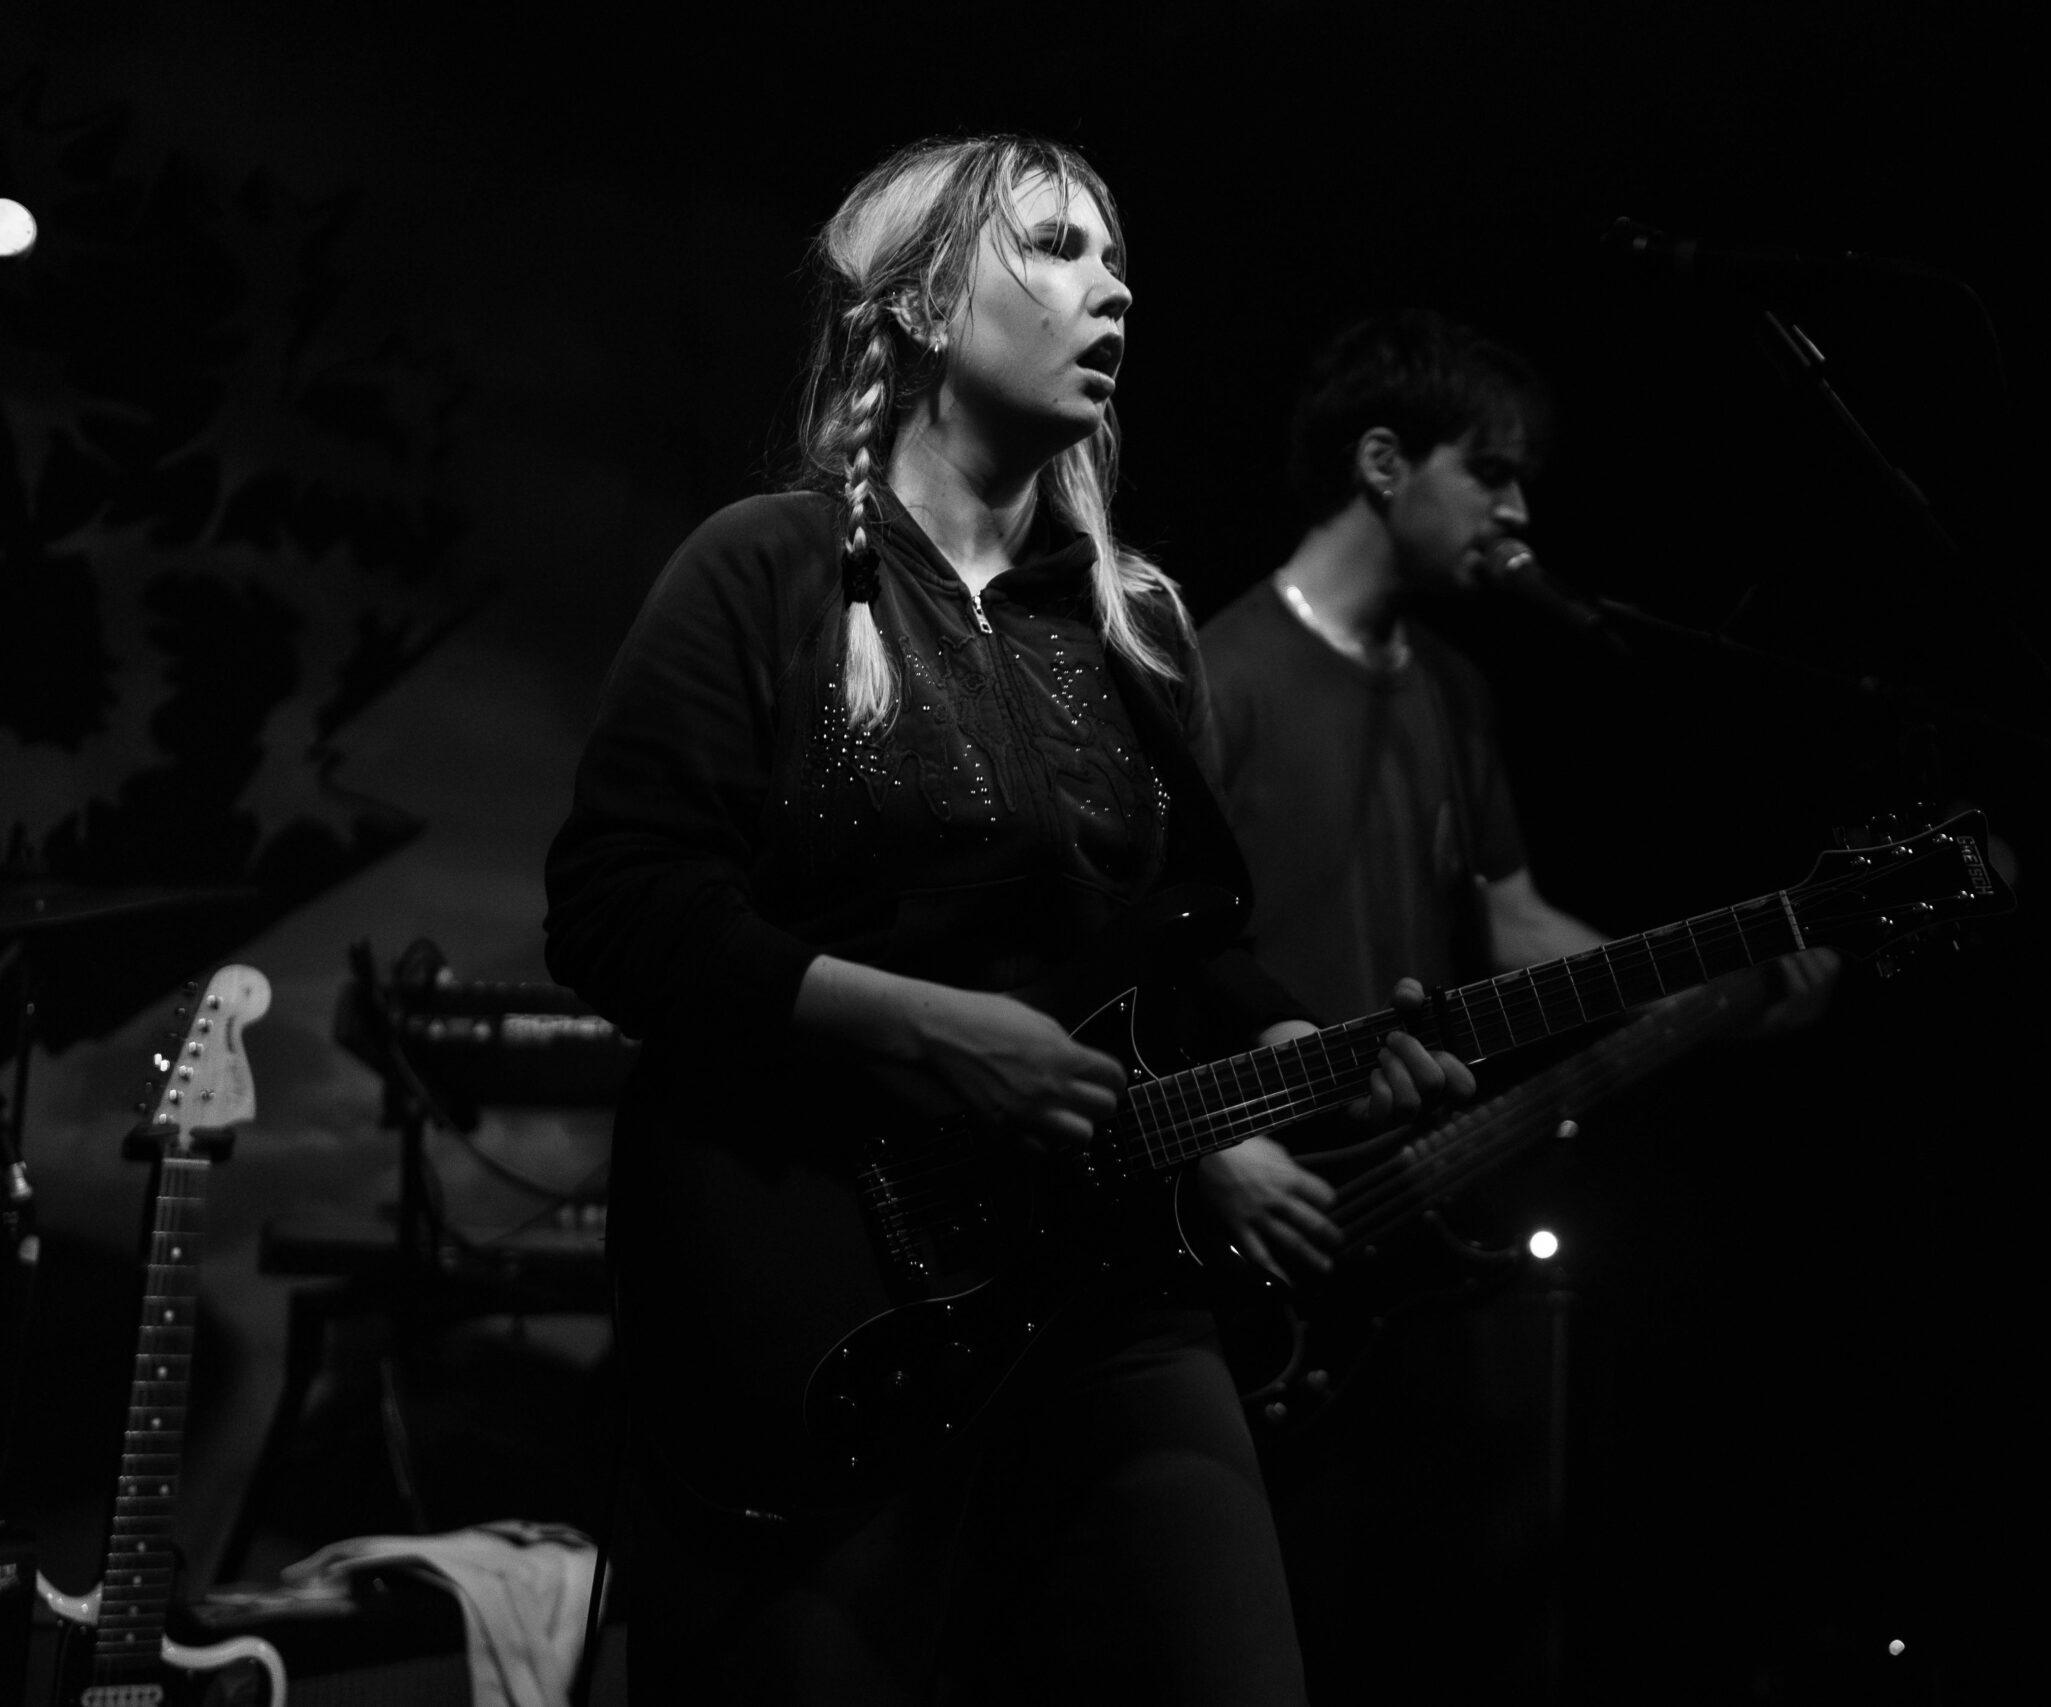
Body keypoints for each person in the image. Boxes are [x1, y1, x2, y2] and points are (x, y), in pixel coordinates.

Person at [543, 137, 1469, 1706]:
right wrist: (923, 1030)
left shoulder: (1133, 619)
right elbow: (618, 905)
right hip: (813, 1285)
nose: (1112, 291)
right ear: (915, 305)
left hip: (1104, 1279)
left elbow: (1175, 941)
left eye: (1117, 262)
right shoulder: (765, 567)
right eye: (1053, 246)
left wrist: (1295, 1040)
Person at [1195, 310, 1840, 1694]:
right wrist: (1215, 1148)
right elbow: (1141, 955)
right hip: (1248, 1217)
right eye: (1489, 471)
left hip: (1402, 1219)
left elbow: (1512, 920)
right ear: (1384, 463)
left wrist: (1710, 974)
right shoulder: (1215, 674)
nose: (1519, 511)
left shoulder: (1455, 692)